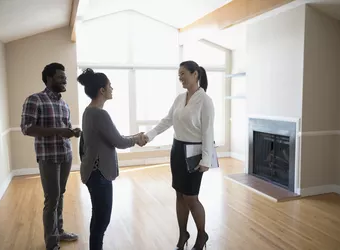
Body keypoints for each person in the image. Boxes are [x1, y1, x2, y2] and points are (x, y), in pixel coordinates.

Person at [144, 60, 215, 250]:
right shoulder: (179, 98)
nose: (180, 77)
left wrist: (206, 159)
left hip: (194, 153)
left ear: (195, 75)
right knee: (179, 195)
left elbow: (208, 132)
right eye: (179, 75)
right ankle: (183, 234)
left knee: (191, 197)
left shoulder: (205, 101)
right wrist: (149, 135)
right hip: (177, 150)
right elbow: (167, 121)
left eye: (183, 73)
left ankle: (202, 235)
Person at [77, 68, 146, 250]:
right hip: (99, 173)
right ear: (102, 90)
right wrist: (136, 139)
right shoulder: (99, 114)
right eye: (110, 86)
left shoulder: (89, 111)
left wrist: (134, 136)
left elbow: (111, 137)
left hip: (93, 171)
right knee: (102, 220)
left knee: (98, 217)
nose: (112, 89)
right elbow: (119, 141)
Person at [20, 62, 81, 250]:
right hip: (48, 156)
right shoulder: (34, 99)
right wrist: (58, 131)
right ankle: (51, 241)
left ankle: (59, 231)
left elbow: (64, 128)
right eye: (61, 77)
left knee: (60, 195)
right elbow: (27, 128)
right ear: (49, 78)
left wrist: (72, 131)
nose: (65, 80)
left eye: (65, 77)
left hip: (65, 155)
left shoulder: (63, 104)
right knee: (52, 198)